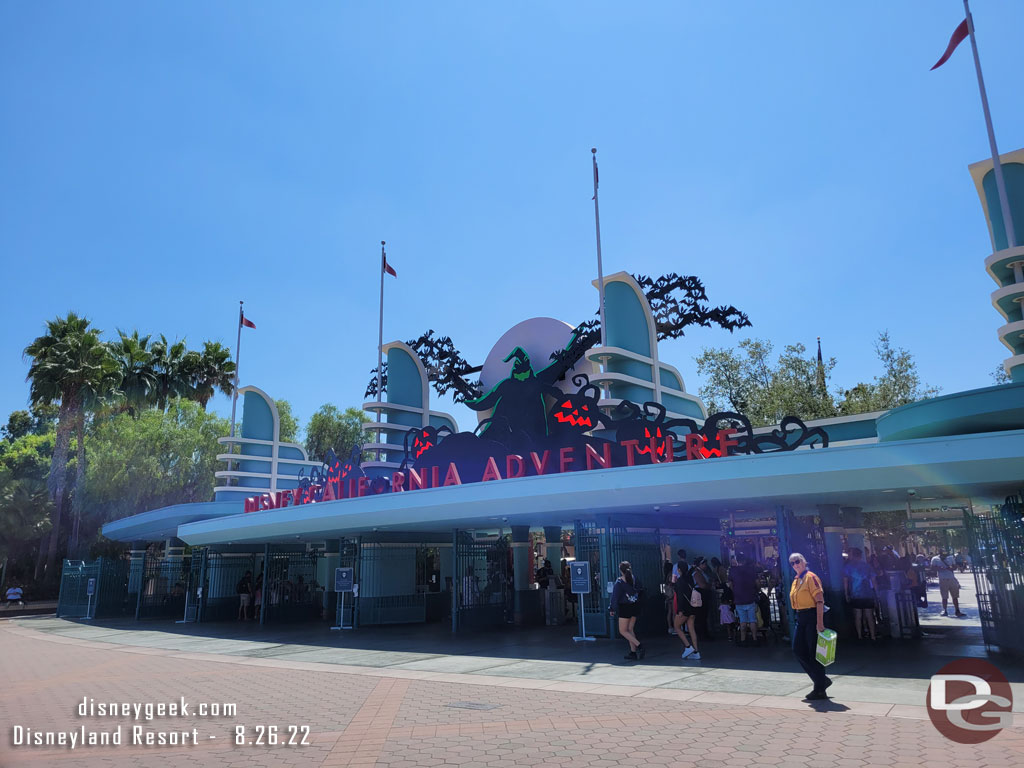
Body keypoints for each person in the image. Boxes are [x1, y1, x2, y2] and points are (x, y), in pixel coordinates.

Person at [788, 553, 831, 700]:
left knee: (814, 653)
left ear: (804, 561)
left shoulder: (810, 577)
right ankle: (821, 680)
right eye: (792, 563)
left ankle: (819, 688)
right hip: (801, 616)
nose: (795, 565)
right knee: (798, 649)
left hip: (812, 616)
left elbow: (819, 600)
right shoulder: (796, 580)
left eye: (797, 561)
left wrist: (820, 623)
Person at [609, 561, 644, 660]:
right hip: (634, 606)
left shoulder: (619, 582)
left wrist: (612, 608)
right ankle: (633, 652)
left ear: (620, 570)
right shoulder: (635, 579)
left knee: (623, 631)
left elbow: (615, 597)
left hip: (625, 607)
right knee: (630, 629)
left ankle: (639, 645)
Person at [843, 548, 877, 641]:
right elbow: (874, 581)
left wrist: (846, 594)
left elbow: (845, 581)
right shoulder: (868, 566)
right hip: (868, 594)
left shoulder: (848, 567)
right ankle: (873, 635)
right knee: (869, 615)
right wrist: (876, 593)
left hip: (855, 594)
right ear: (861, 556)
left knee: (858, 616)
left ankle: (859, 635)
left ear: (853, 555)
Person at [672, 557, 701, 660]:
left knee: (677, 627)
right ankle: (696, 652)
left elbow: (680, 598)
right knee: (691, 628)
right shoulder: (689, 578)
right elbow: (689, 571)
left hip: (684, 609)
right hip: (693, 607)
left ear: (679, 569)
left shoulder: (679, 582)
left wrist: (679, 611)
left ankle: (688, 646)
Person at [730, 553, 759, 645]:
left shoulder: (732, 570)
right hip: (750, 598)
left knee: (742, 621)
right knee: (752, 620)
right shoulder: (752, 569)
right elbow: (757, 583)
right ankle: (755, 639)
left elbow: (730, 584)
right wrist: (757, 590)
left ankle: (743, 640)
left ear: (737, 561)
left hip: (739, 599)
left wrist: (735, 591)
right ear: (745, 560)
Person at [931, 552, 965, 617]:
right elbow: (932, 568)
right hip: (942, 579)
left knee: (955, 596)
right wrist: (939, 568)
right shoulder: (935, 559)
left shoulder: (950, 558)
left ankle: (957, 610)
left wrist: (951, 568)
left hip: (951, 578)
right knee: (944, 596)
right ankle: (945, 610)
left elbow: (955, 567)